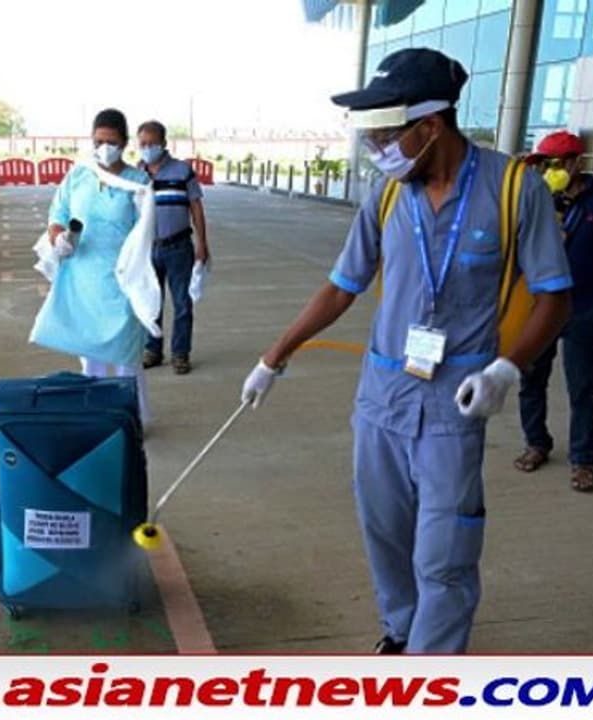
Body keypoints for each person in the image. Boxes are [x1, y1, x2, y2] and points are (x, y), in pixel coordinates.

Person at [239, 48, 573, 654]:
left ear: (431, 125)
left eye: (387, 135)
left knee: (444, 550)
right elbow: (343, 285)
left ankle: (431, 667)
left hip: (455, 405)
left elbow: (556, 295)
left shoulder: (513, 189)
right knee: (386, 535)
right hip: (382, 400)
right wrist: (274, 356)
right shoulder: (389, 198)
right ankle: (401, 630)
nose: (378, 151)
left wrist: (505, 369)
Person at [513, 130, 593, 493]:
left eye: (558, 163)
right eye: (545, 163)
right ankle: (536, 442)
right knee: (531, 378)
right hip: (539, 305)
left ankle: (583, 459)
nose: (552, 170)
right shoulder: (537, 198)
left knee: (583, 387)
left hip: (585, 307)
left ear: (577, 162)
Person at [30, 108, 156, 422]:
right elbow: (57, 215)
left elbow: (145, 232)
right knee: (91, 360)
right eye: (98, 140)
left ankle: (130, 419)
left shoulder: (139, 182)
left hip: (122, 280)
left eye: (111, 141)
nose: (104, 147)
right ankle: (100, 418)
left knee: (127, 358)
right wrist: (59, 237)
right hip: (83, 278)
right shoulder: (78, 175)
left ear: (124, 143)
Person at [137, 120, 209, 375]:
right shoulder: (137, 174)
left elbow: (196, 207)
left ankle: (181, 353)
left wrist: (202, 243)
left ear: (164, 144)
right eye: (142, 143)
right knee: (150, 301)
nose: (147, 148)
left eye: (152, 143)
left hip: (179, 246)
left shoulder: (182, 171)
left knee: (182, 303)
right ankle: (152, 350)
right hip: (147, 249)